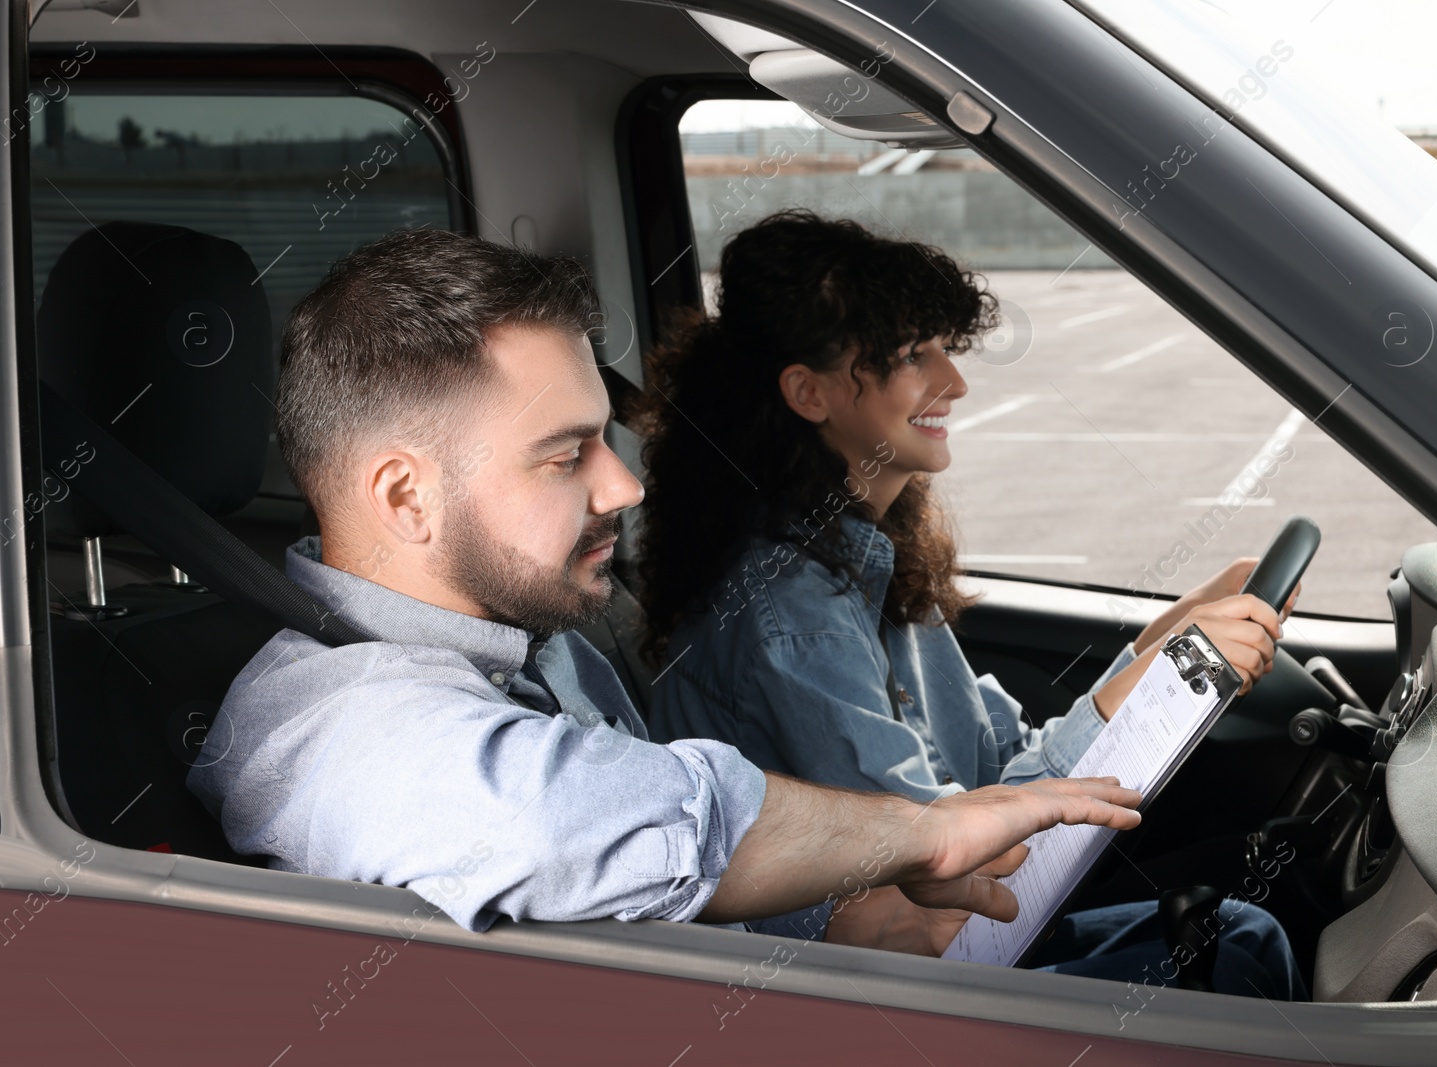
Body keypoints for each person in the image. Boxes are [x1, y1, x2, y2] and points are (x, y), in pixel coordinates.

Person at [186, 227, 1147, 957]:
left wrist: (845, 911)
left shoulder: (539, 636)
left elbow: (655, 882)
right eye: (566, 455)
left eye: (605, 438)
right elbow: (565, 817)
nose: (623, 485)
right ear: (406, 495)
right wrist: (923, 835)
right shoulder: (334, 722)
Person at [638, 210, 1306, 997]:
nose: (954, 383)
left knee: (1255, 911)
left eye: (943, 349)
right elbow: (955, 852)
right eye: (912, 356)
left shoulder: (866, 555)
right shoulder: (789, 606)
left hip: (947, 941)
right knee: (1255, 919)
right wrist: (1143, 684)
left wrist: (1154, 649)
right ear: (809, 392)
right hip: (886, 982)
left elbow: (990, 759)